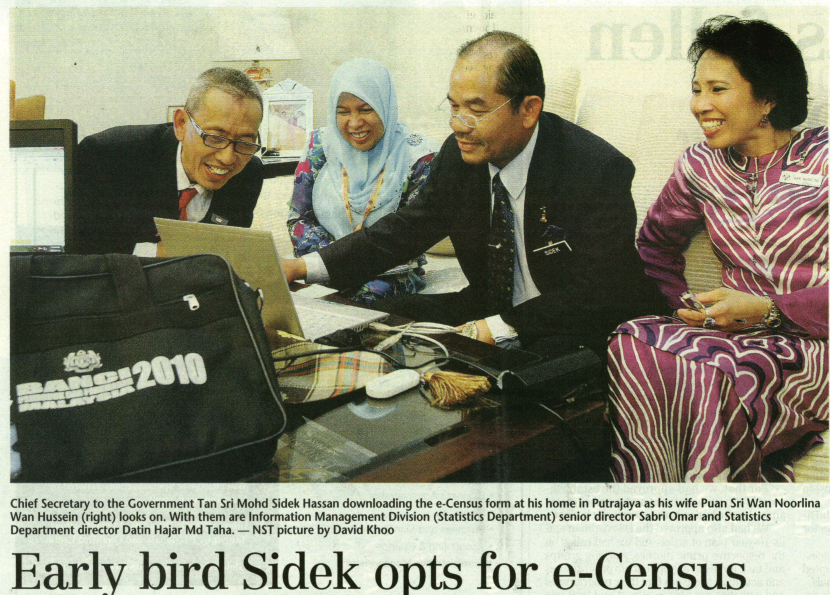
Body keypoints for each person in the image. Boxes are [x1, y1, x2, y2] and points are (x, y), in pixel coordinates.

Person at [283, 31, 664, 357]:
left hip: (578, 322)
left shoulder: (595, 169)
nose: (458, 125)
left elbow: (597, 292)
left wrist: (494, 329)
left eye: (476, 110)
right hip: (491, 304)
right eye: (453, 107)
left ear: (528, 109)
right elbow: (406, 229)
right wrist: (303, 267)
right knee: (373, 321)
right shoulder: (460, 156)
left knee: (523, 374)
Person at [607, 16, 828, 482]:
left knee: (717, 370)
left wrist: (768, 309)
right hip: (730, 336)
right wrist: (686, 307)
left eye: (717, 89)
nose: (699, 105)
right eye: (696, 89)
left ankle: (711, 504)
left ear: (768, 98)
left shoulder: (824, 159)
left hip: (814, 342)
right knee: (631, 341)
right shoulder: (700, 166)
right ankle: (648, 500)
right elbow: (654, 246)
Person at [288, 58, 440, 305]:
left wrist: (344, 265)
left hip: (388, 272)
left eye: (366, 109)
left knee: (360, 301)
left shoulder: (419, 157)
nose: (354, 122)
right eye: (343, 111)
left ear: (384, 106)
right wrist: (332, 262)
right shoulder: (320, 146)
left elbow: (408, 236)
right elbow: (298, 218)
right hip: (321, 267)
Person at [75, 67, 264, 255]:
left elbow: (226, 252)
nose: (227, 158)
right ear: (181, 124)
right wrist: (158, 253)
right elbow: (78, 251)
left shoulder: (248, 174)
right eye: (215, 138)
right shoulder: (108, 156)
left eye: (245, 143)